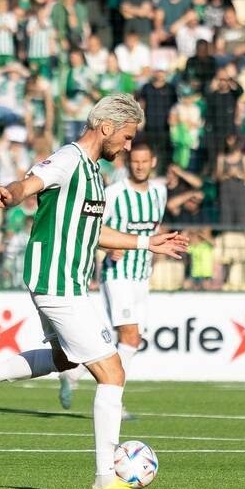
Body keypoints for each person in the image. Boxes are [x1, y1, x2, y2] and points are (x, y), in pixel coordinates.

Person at [0, 94, 188, 489]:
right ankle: (105, 478)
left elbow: (93, 234)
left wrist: (148, 242)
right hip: (56, 283)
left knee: (64, 359)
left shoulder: (94, 173)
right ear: (106, 127)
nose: (128, 147)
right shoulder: (70, 159)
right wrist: (11, 192)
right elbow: (31, 182)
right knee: (112, 372)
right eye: (126, 137)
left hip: (65, 282)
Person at [58, 141, 166, 417]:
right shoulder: (115, 193)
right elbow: (90, 226)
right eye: (135, 161)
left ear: (153, 162)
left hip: (143, 275)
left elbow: (154, 227)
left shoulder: (159, 193)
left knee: (132, 340)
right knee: (129, 335)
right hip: (117, 274)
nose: (140, 166)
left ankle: (75, 373)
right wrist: (108, 247)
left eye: (145, 161)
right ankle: (114, 401)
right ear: (129, 163)